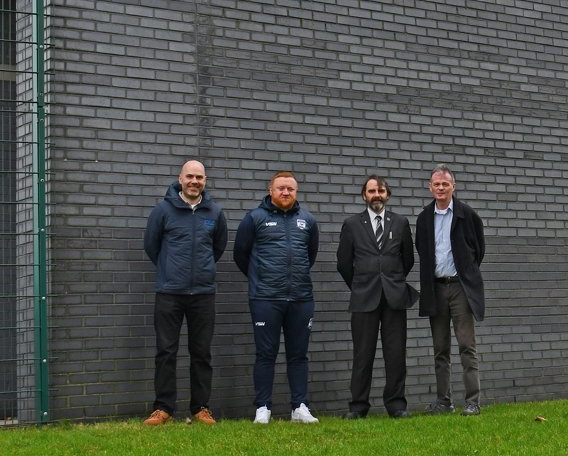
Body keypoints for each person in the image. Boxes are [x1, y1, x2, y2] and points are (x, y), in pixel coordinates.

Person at [142, 159, 228, 426]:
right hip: (169, 293)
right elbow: (151, 246)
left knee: (201, 353)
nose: (194, 182)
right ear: (180, 179)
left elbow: (218, 248)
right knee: (166, 351)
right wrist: (171, 270)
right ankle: (163, 408)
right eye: (190, 176)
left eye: (199, 177)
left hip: (203, 294)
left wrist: (200, 271)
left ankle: (200, 408)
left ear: (205, 181)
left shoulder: (214, 212)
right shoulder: (163, 210)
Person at [233, 170, 320, 424]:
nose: (286, 192)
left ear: (296, 192)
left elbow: (310, 256)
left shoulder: (308, 220)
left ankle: (299, 407)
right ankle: (263, 408)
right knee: (265, 354)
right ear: (270, 190)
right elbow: (241, 255)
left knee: (298, 355)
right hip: (265, 299)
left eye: (290, 189)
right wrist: (260, 279)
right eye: (281, 188)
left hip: (301, 298)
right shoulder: (255, 218)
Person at [336, 175, 417, 418]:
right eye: (371, 191)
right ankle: (358, 407)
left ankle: (396, 405)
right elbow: (343, 263)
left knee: (396, 354)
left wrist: (391, 280)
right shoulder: (351, 224)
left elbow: (408, 260)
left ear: (387, 195)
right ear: (364, 196)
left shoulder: (400, 223)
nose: (376, 195)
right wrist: (360, 284)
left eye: (380, 190)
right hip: (364, 298)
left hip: (394, 297)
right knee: (363, 355)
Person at [414, 164, 486, 416]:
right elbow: (422, 250)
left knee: (467, 346)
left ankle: (472, 402)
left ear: (453, 187)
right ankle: (444, 402)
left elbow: (478, 250)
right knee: (440, 349)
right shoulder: (424, 218)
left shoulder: (467, 214)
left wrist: (465, 273)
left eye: (445, 184)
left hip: (460, 289)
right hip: (436, 289)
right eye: (436, 184)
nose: (441, 188)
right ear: (430, 187)